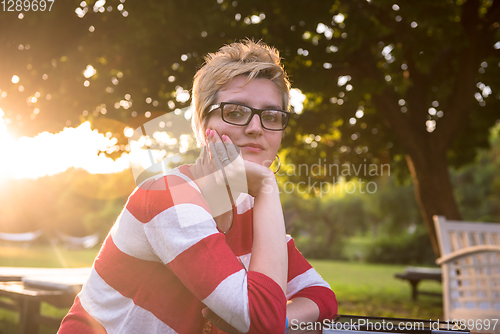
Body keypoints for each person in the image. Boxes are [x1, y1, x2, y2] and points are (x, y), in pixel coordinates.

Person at [58, 39, 337, 334]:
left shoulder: (252, 208)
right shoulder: (168, 196)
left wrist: (279, 321)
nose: (256, 128)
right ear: (205, 125)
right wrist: (267, 184)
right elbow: (260, 321)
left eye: (270, 116)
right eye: (236, 112)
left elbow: (322, 298)